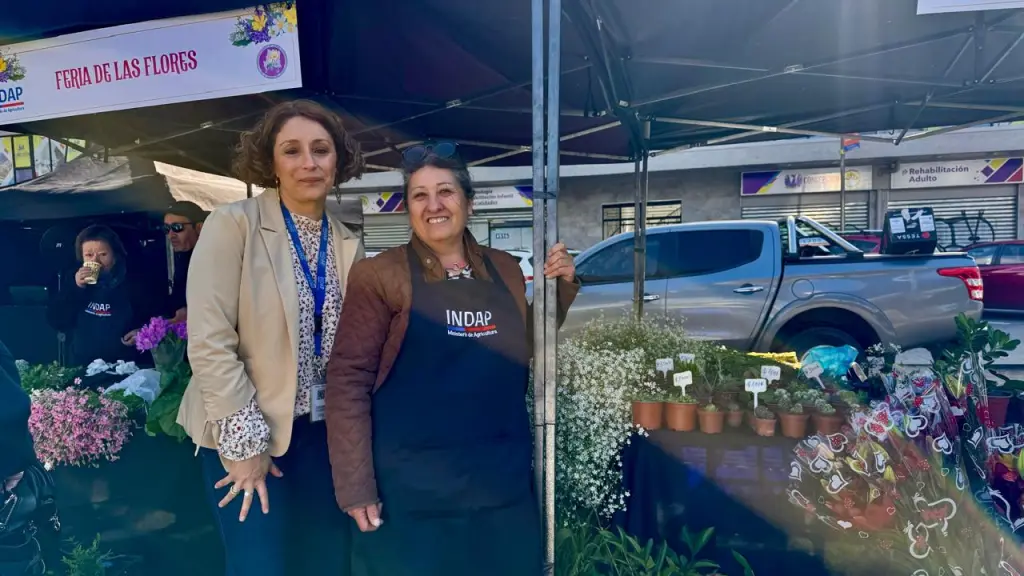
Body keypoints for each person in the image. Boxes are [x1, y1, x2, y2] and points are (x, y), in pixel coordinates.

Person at [325, 143, 578, 576]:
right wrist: (355, 485)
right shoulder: (380, 274)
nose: (433, 205)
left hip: (501, 482)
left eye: (445, 192)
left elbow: (525, 348)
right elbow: (348, 380)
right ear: (408, 208)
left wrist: (562, 287)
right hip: (414, 489)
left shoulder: (506, 269)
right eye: (420, 195)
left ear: (468, 201)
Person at [177, 99, 366, 576]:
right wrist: (243, 448)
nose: (309, 162)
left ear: (337, 161)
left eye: (321, 150)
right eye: (292, 150)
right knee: (262, 566)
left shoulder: (347, 242)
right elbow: (208, 339)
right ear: (271, 162)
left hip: (319, 439)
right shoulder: (233, 224)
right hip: (244, 434)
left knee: (325, 563)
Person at [47, 225, 153, 367]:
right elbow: (57, 320)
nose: (96, 261)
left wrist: (142, 331)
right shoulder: (72, 278)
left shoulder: (134, 281)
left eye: (103, 255)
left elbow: (156, 317)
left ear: (115, 256)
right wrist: (76, 287)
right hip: (85, 365)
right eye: (89, 255)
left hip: (126, 365)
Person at [163, 201, 207, 324]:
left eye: (177, 227)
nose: (171, 235)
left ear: (199, 228)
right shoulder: (182, 258)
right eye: (166, 229)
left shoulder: (214, 260)